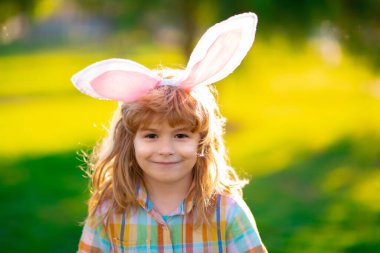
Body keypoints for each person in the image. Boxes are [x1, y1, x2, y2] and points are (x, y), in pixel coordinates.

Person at [72, 12, 267, 253]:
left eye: (181, 135)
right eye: (151, 135)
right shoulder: (109, 213)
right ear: (129, 141)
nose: (165, 150)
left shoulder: (227, 212)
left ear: (202, 142)